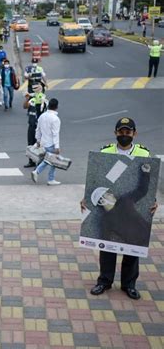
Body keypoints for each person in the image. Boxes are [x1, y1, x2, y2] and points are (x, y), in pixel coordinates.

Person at [80, 117, 158, 300]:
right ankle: (104, 281)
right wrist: (86, 200)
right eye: (121, 132)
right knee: (107, 249)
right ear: (115, 133)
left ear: (134, 134)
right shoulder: (105, 152)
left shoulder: (143, 154)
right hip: (122, 232)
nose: (124, 135)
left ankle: (129, 284)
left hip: (139, 232)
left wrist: (153, 201)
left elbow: (145, 188)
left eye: (128, 132)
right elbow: (95, 179)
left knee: (132, 253)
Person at [31, 98, 61, 186]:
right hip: (51, 143)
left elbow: (38, 129)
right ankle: (46, 176)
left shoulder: (42, 116)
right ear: (56, 107)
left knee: (49, 160)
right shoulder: (55, 119)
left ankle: (43, 174)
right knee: (52, 160)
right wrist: (57, 146)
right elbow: (55, 134)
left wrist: (38, 140)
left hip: (44, 142)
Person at [23, 85, 48, 168]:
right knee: (30, 144)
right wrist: (27, 99)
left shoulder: (44, 100)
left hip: (39, 127)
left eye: (37, 88)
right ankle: (31, 161)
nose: (35, 90)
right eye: (34, 88)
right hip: (31, 125)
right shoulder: (32, 100)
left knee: (39, 144)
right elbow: (25, 106)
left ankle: (40, 161)